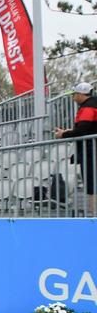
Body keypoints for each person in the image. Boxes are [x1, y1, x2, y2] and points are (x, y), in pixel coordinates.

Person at [54, 81, 97, 216]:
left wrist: (64, 134)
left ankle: (94, 216)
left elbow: (83, 130)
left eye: (74, 94)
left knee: (92, 184)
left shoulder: (88, 107)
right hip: (90, 148)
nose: (73, 97)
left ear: (81, 94)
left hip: (91, 150)